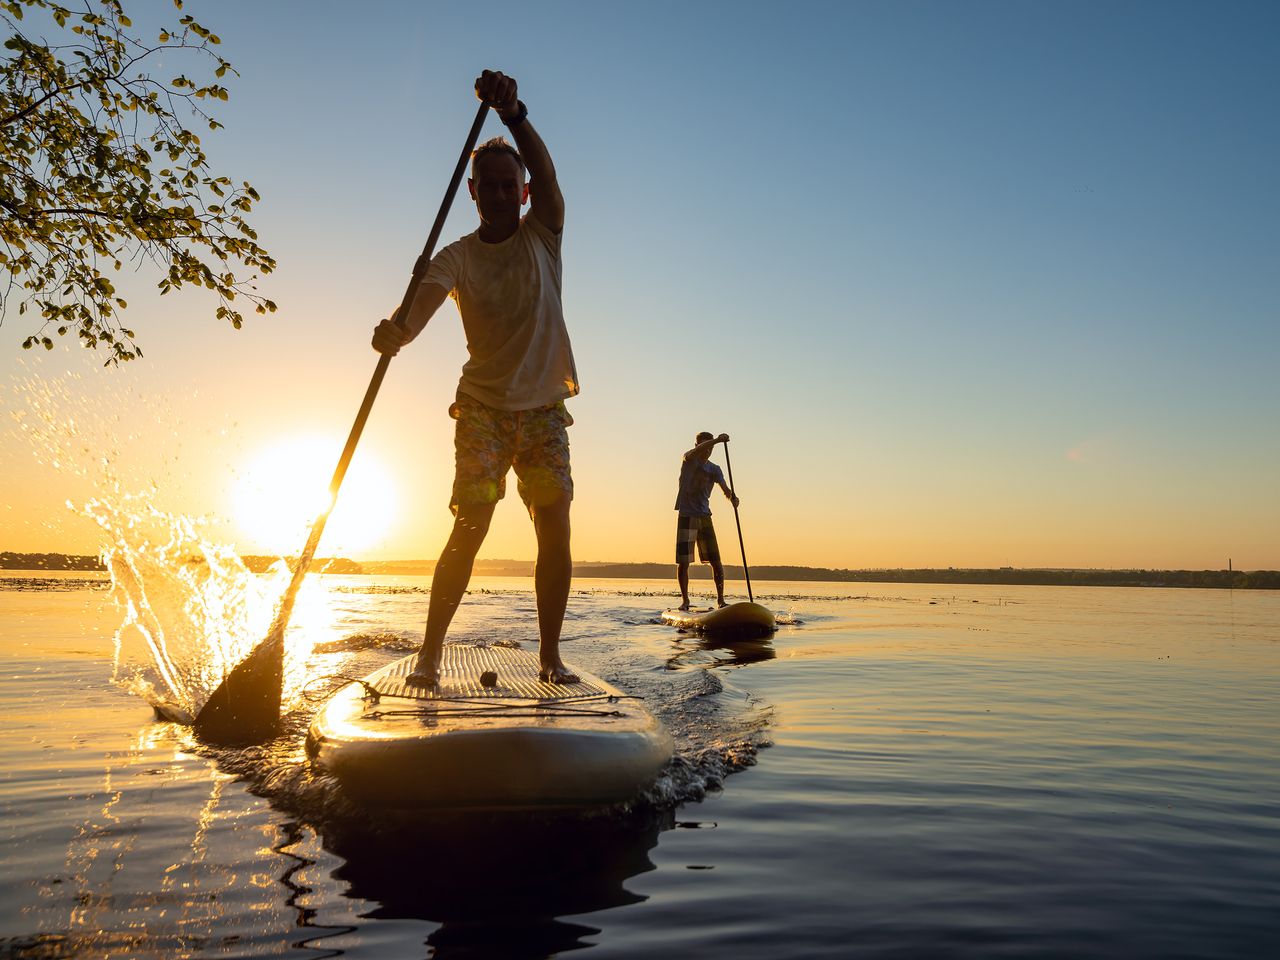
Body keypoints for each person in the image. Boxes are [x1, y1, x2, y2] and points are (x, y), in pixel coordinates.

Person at [372, 70, 579, 687]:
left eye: (506, 184)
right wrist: (397, 332)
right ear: (472, 191)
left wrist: (514, 115)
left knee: (555, 525)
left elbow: (548, 175)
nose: (496, 192)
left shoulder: (545, 233)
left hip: (543, 409)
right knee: (472, 524)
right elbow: (417, 313)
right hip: (483, 409)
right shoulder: (455, 256)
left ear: (521, 192)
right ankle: (431, 656)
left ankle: (550, 657)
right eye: (485, 185)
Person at [674, 432, 739, 610]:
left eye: (710, 448)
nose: (707, 451)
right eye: (705, 446)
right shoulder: (688, 460)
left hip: (704, 516)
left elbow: (725, 489)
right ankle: (685, 601)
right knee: (684, 562)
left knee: (716, 561)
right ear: (696, 446)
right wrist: (717, 440)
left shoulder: (715, 469)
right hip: (687, 515)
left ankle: (720, 600)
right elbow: (691, 453)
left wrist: (733, 497)